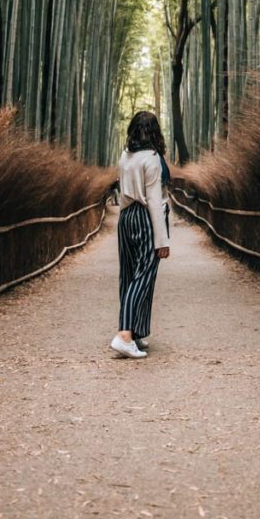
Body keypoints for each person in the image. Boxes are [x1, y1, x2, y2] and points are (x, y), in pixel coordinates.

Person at [110, 111, 170, 359]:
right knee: (143, 276)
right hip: (146, 217)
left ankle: (135, 333)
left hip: (126, 217)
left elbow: (123, 194)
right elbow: (155, 202)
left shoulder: (126, 156)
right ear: (155, 132)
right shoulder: (153, 159)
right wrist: (162, 240)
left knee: (129, 275)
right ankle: (124, 335)